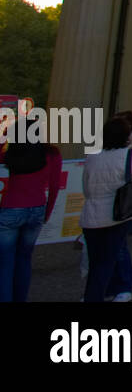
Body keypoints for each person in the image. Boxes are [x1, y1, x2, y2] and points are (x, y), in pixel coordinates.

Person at [80, 117, 132, 302]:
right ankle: (95, 296)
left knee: (96, 262)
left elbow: (86, 188)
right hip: (116, 215)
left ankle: (95, 294)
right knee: (107, 262)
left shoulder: (92, 156)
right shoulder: (131, 156)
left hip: (91, 215)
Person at [0, 121, 62, 302]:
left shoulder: (13, 153)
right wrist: (47, 212)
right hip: (37, 208)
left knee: (5, 263)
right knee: (25, 259)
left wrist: (4, 135)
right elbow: (55, 186)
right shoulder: (52, 154)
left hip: (12, 207)